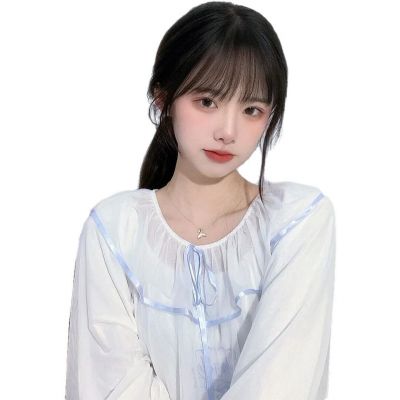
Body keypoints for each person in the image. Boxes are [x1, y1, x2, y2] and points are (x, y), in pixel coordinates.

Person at [65, 2, 336, 399]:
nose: (228, 131)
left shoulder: (296, 222)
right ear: (163, 98)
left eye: (251, 109)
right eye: (207, 101)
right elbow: (108, 386)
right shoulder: (114, 231)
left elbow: (280, 384)